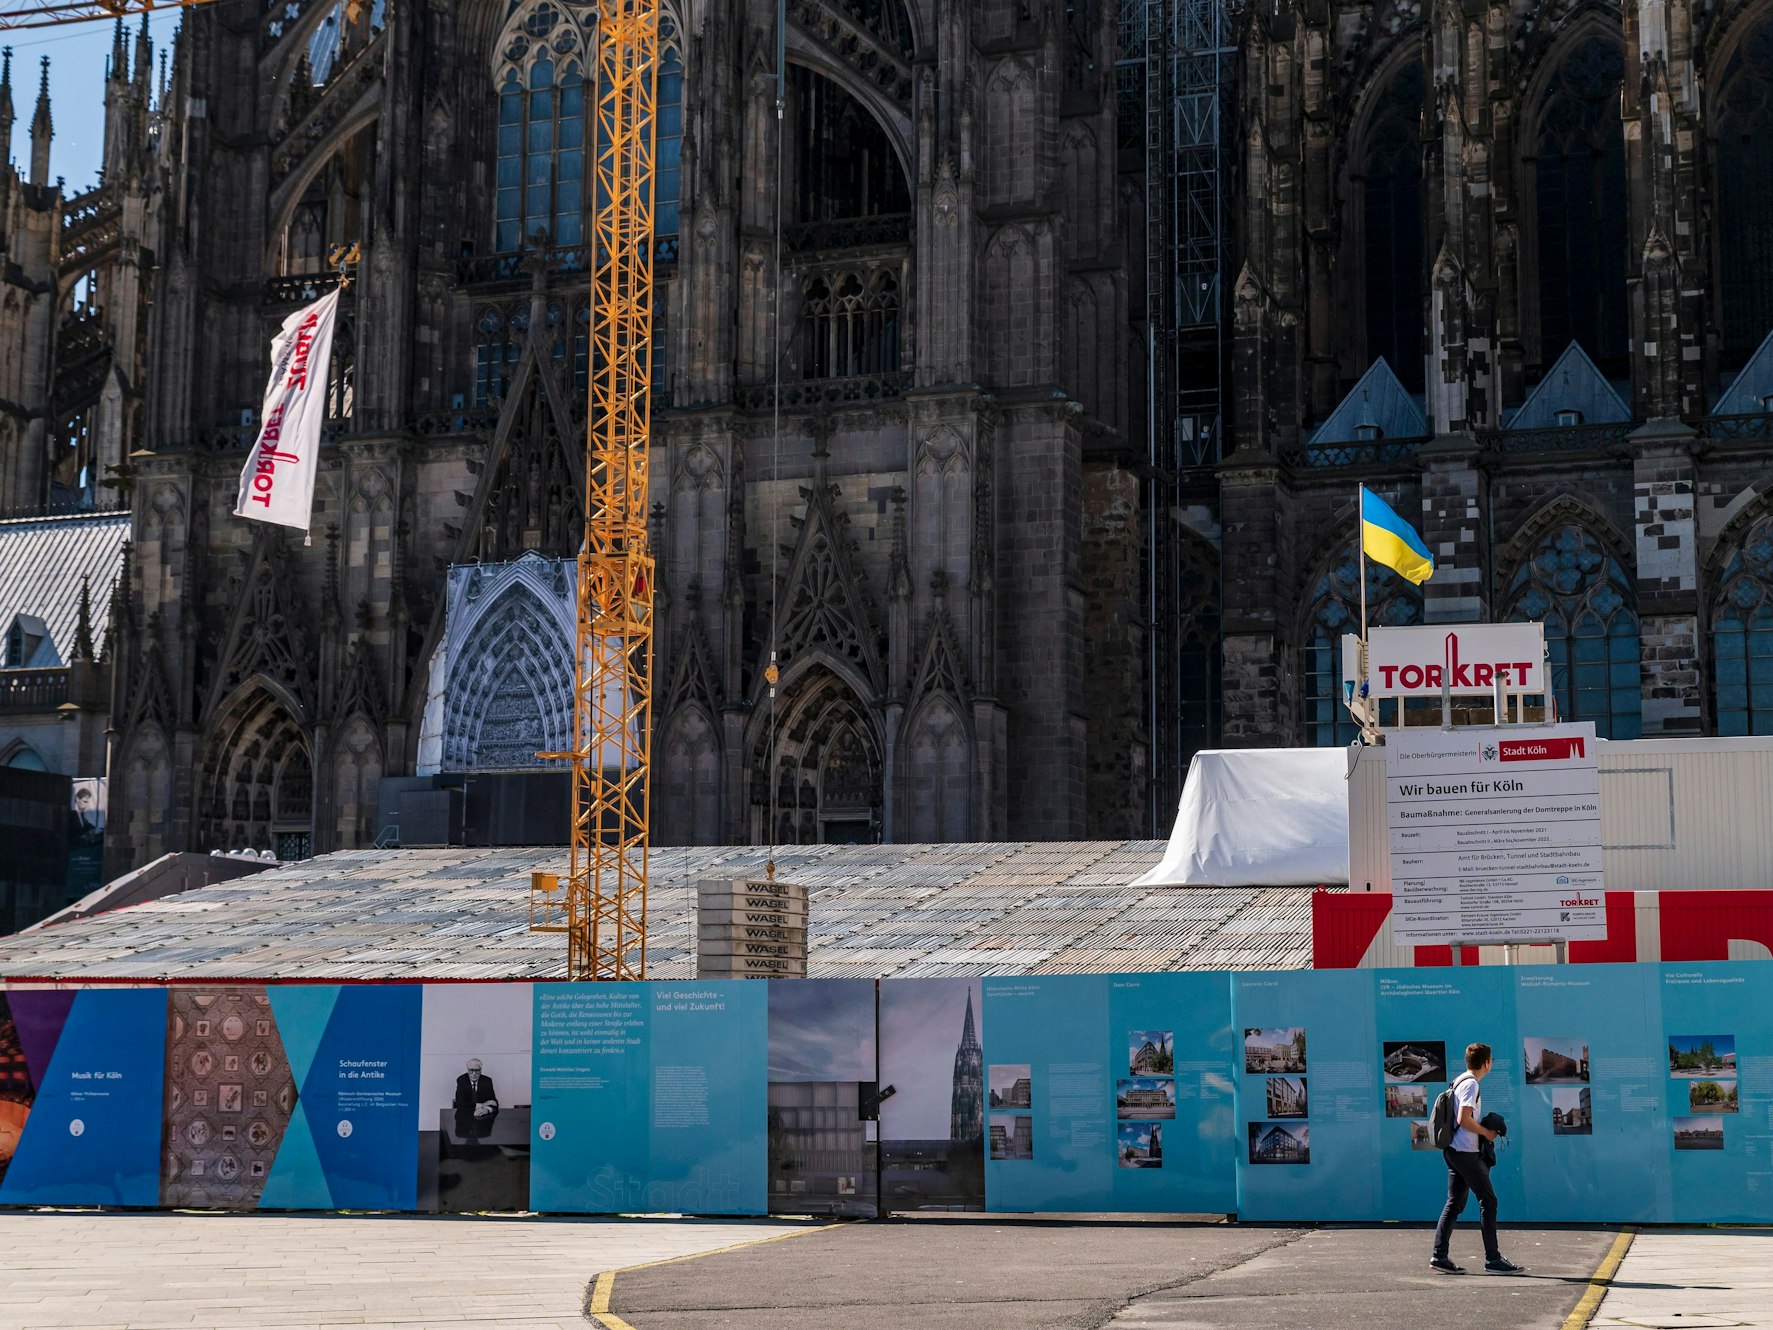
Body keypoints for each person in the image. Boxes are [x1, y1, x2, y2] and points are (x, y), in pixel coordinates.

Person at [1431, 1042, 1523, 1274]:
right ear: (1486, 1063)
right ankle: (1493, 1259)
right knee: (1488, 1201)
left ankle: (1439, 1256)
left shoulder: (1460, 1080)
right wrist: (1487, 1133)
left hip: (1453, 1151)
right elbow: (1464, 1119)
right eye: (1491, 1060)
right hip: (1465, 1153)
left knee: (1455, 1203)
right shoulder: (1471, 1084)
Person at [452, 1058, 499, 1141]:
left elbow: (494, 1102)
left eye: (477, 1070)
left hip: (482, 1121)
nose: (473, 1074)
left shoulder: (487, 1081)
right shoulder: (462, 1080)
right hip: (464, 1120)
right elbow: (460, 1104)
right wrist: (483, 1105)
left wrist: (487, 1109)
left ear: (481, 1070)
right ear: (467, 1070)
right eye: (471, 1070)